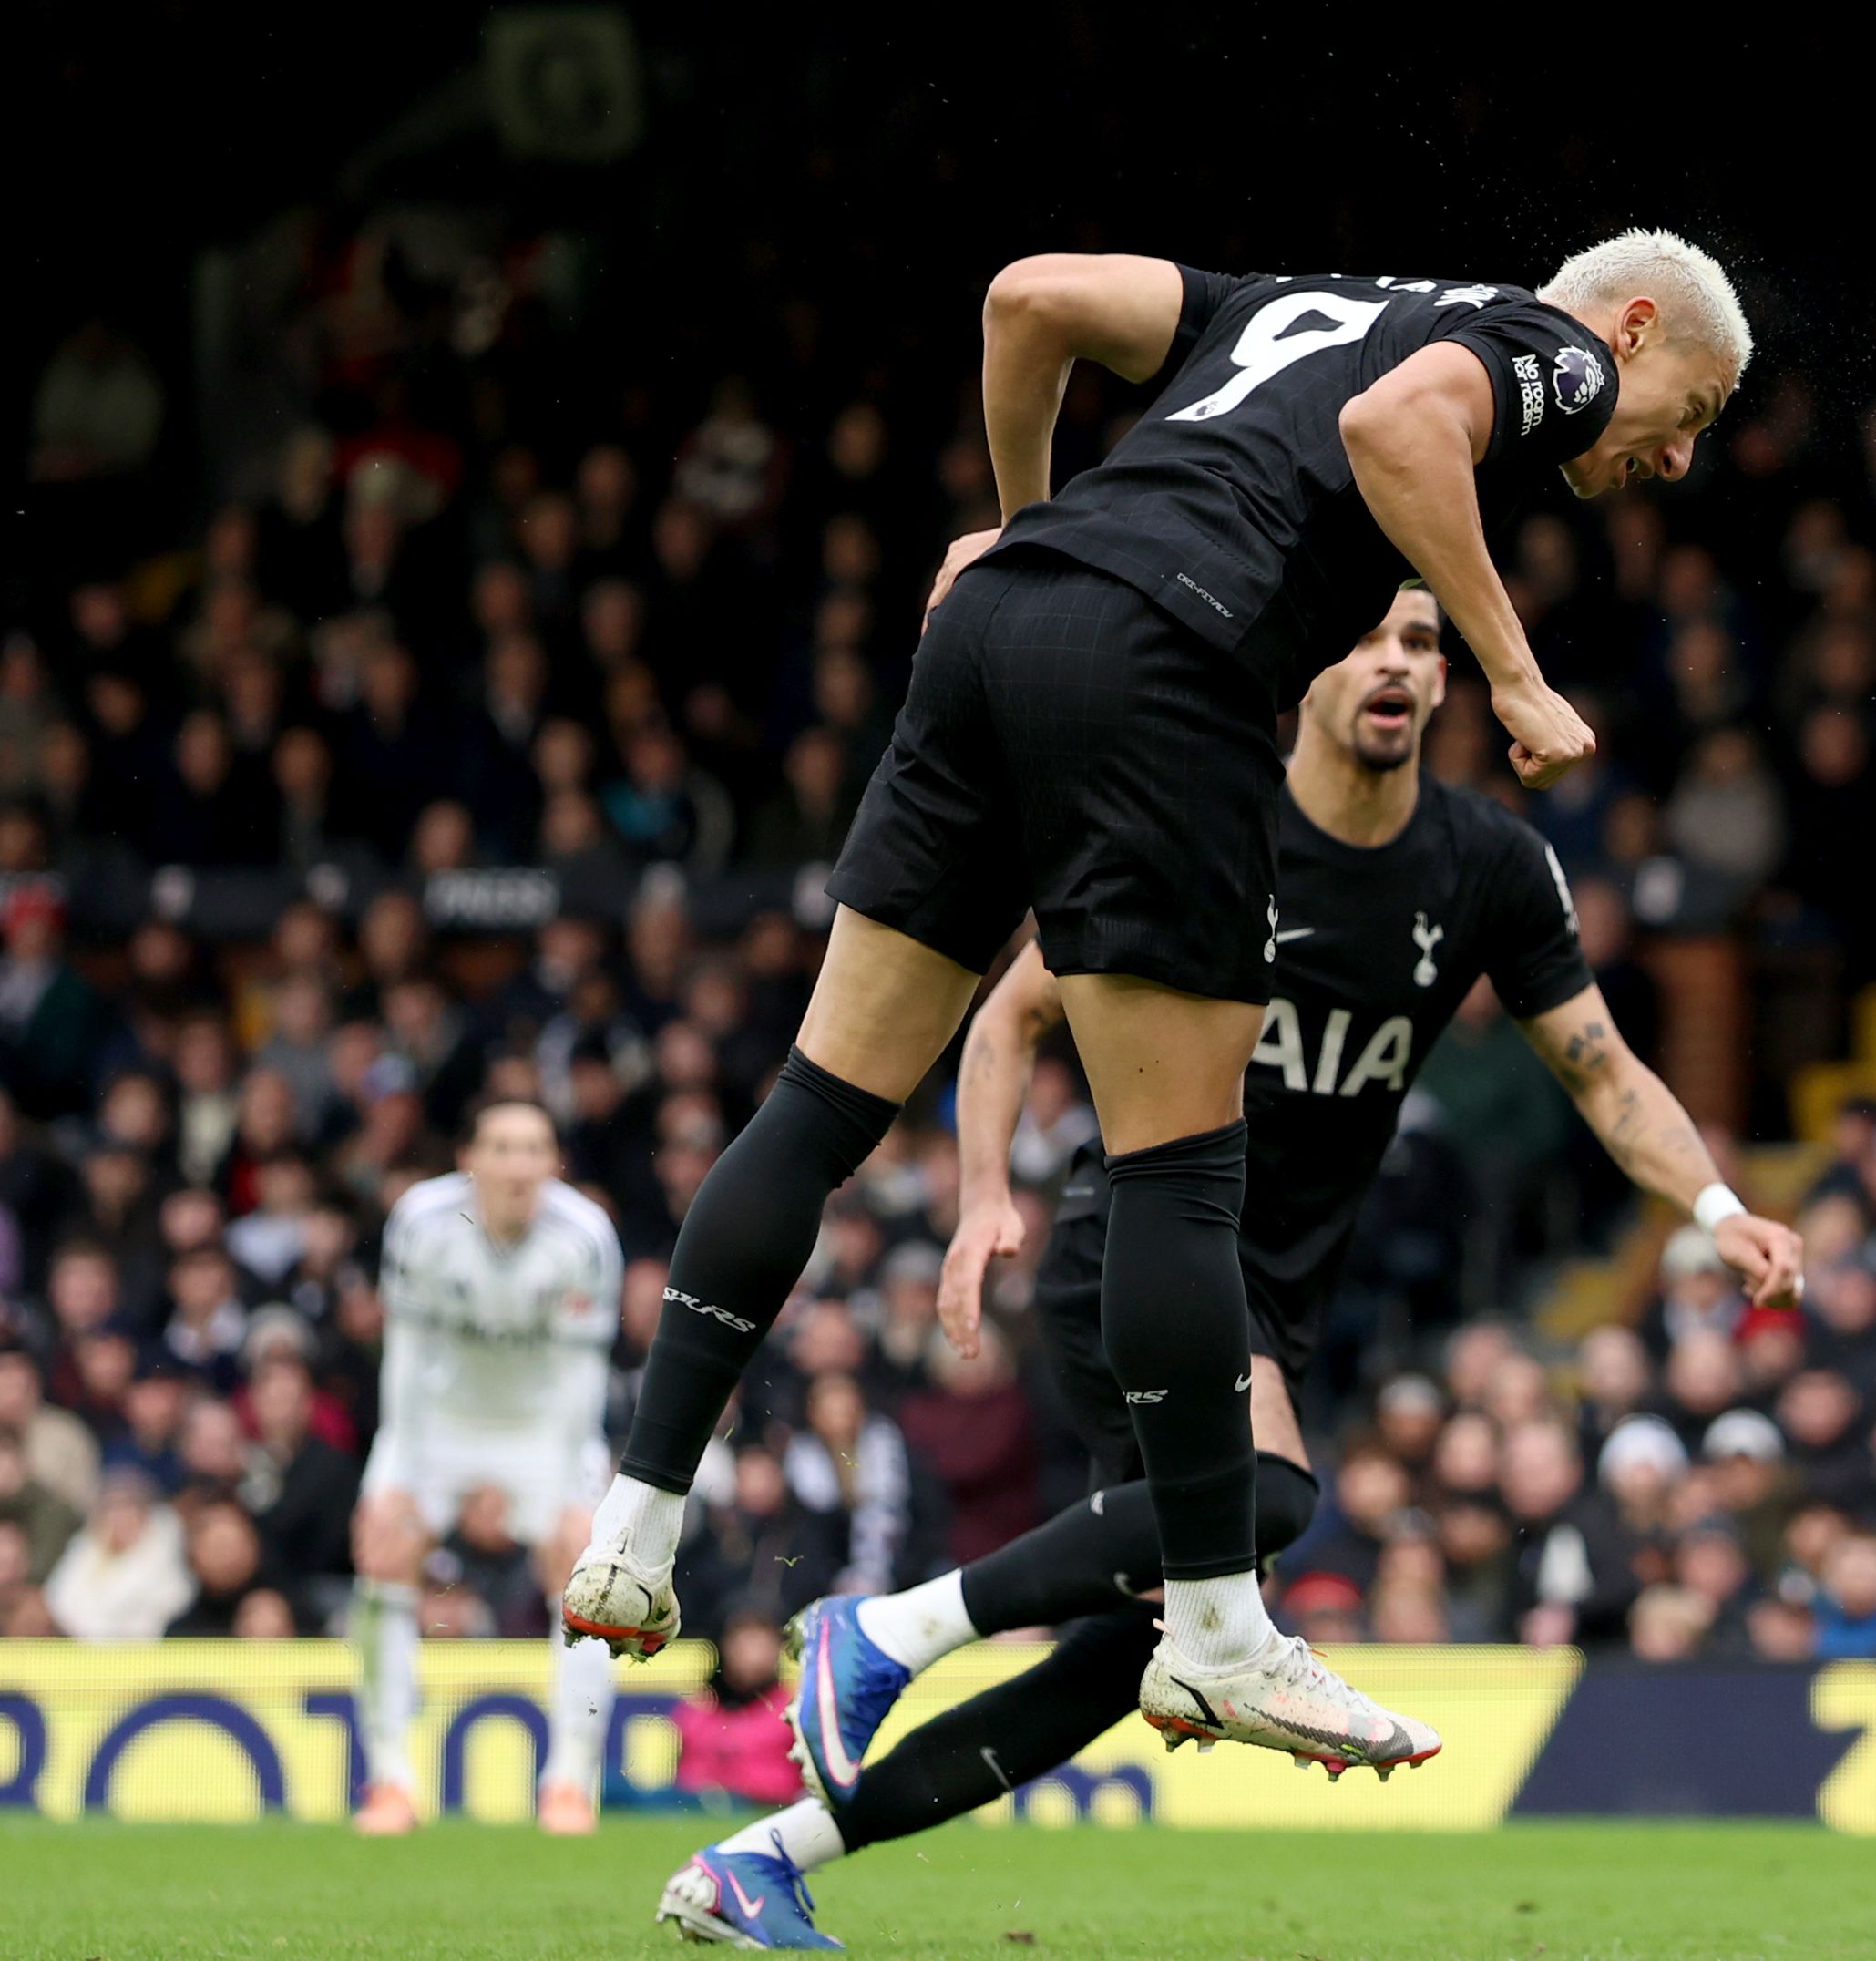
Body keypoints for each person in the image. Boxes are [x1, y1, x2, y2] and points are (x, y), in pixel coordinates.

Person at [569, 233, 1752, 1780]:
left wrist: (1020, 519)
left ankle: (633, 1526)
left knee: (818, 1104)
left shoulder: (1296, 303)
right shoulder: (1559, 351)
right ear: (1636, 326)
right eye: (1694, 409)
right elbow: (1397, 427)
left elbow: (1023, 298)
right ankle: (1214, 1629)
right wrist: (1513, 671)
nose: (1676, 453)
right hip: (1170, 664)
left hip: (997, 626)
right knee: (1180, 1171)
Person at [658, 585, 1800, 1949]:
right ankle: (891, 1629)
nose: (1393, 659)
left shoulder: (1488, 865)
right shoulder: (1207, 817)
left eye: (1420, 641)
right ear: (1306, 669)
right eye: (1364, 634)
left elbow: (1603, 1072)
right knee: (1266, 1496)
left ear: (1447, 683)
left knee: (1129, 1649)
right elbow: (1010, 1012)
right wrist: (981, 1198)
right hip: (1138, 1247)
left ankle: (763, 1860)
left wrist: (1716, 1205)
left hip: (1270, 1292)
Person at [350, 1096, 625, 1835]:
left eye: (533, 1149)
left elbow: (581, 1378)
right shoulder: (421, 1221)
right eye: (501, 1148)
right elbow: (405, 1354)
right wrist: (404, 1468)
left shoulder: (585, 1237)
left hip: (541, 1429)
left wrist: (567, 1486)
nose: (517, 1166)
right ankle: (390, 1781)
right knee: (382, 1550)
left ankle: (569, 1782)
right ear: (468, 1158)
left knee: (584, 1570)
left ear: (554, 1163)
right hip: (438, 1422)